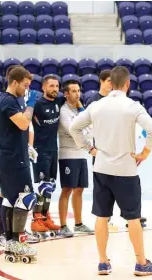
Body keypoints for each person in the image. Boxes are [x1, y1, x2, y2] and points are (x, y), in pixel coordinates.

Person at [69, 66, 152, 276]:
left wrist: (88, 148)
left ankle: (103, 262)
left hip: (101, 168)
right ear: (127, 84)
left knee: (101, 217)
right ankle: (141, 262)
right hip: (126, 171)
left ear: (110, 82)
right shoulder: (132, 106)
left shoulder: (97, 106)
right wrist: (144, 153)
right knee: (133, 218)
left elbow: (74, 127)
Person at [0, 66, 38, 261]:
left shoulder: (8, 100)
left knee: (13, 199)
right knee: (25, 197)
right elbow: (23, 123)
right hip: (13, 159)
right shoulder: (8, 101)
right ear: (14, 82)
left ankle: (11, 239)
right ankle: (15, 240)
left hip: (14, 156)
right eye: (25, 85)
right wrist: (30, 105)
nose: (27, 90)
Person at [57, 80, 94, 236]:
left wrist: (85, 130)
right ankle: (63, 226)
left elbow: (92, 129)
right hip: (67, 154)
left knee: (79, 189)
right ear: (66, 94)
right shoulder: (64, 111)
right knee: (67, 189)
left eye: (78, 90)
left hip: (81, 154)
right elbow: (73, 131)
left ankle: (78, 224)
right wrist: (85, 131)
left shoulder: (81, 110)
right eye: (73, 91)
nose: (77, 94)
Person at [30, 75, 65, 237]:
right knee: (41, 185)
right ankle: (36, 218)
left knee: (51, 185)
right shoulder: (37, 104)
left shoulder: (59, 102)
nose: (55, 89)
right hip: (39, 150)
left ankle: (46, 216)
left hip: (53, 149)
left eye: (57, 86)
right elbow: (26, 123)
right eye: (51, 86)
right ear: (44, 87)